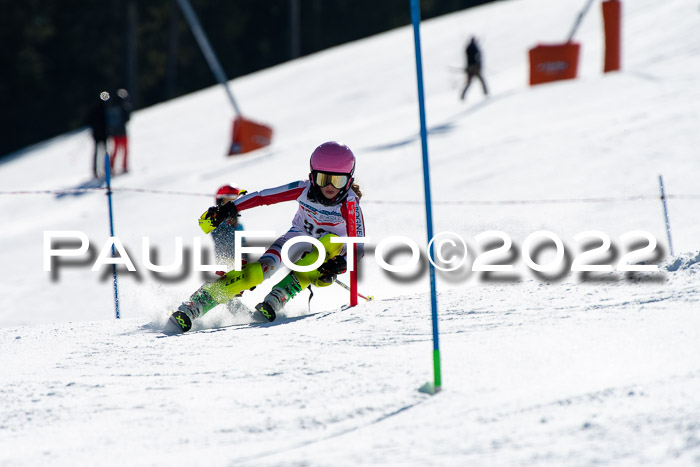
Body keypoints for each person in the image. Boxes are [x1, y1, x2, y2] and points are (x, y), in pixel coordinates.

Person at [168, 141, 366, 332]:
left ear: (349, 180)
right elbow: (263, 197)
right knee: (257, 272)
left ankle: (280, 295)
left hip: (327, 260)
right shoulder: (304, 189)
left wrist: (341, 263)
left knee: (328, 241)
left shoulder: (350, 204)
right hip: (296, 239)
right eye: (323, 179)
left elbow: (359, 246)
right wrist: (229, 209)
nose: (330, 187)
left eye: (337, 180)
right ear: (313, 177)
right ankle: (198, 304)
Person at [211, 184, 247, 267]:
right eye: (227, 202)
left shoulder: (239, 226)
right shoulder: (217, 223)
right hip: (226, 260)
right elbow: (219, 238)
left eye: (234, 202)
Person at [106, 88, 132, 174]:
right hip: (123, 132)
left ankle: (111, 167)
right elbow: (127, 118)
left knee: (115, 150)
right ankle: (124, 166)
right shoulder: (123, 106)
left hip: (114, 133)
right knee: (125, 150)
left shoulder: (112, 108)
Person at [86, 92, 109, 178]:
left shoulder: (95, 109)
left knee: (98, 152)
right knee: (104, 152)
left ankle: (97, 170)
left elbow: (89, 120)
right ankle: (104, 169)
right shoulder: (106, 110)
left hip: (97, 134)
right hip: (102, 134)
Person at [460, 37, 489, 101]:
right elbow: (477, 58)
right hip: (475, 68)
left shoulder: (467, 48)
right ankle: (486, 92)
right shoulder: (474, 48)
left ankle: (462, 96)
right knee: (481, 80)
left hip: (469, 68)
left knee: (469, 83)